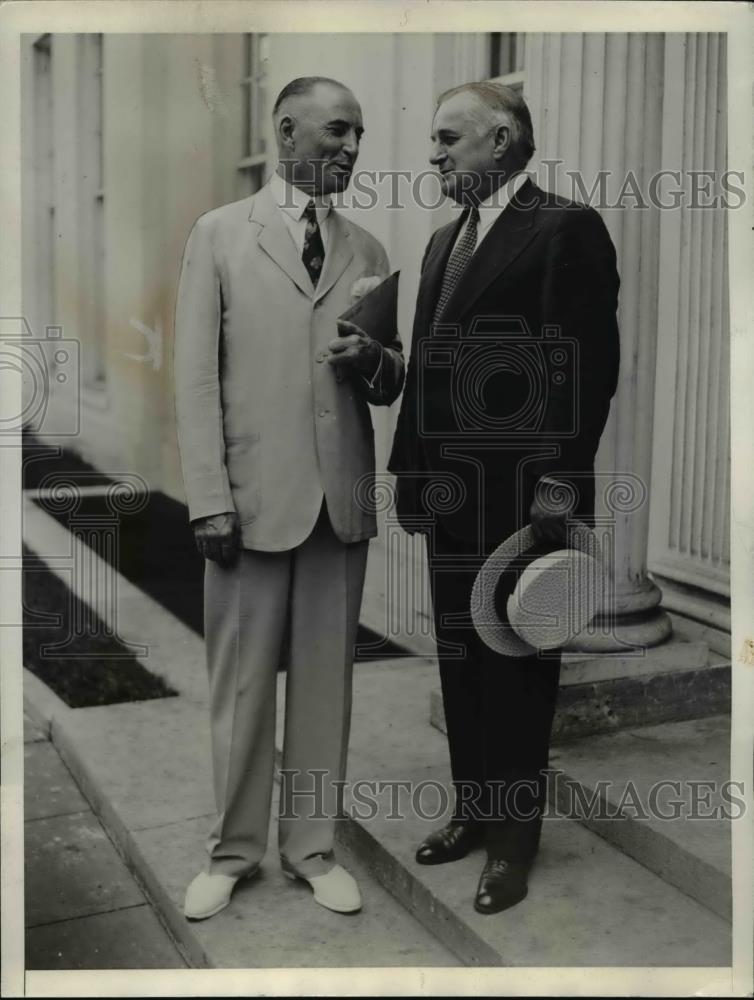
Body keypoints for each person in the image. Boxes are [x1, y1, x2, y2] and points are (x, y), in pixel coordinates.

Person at [174, 76, 404, 919]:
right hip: (248, 501)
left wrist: (370, 360)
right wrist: (208, 498)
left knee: (325, 684)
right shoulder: (220, 236)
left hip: (337, 502)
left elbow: (390, 379)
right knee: (240, 688)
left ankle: (311, 847)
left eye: (359, 134)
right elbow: (195, 378)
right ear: (285, 131)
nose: (350, 148)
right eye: (337, 130)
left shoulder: (371, 250)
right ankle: (232, 853)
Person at [388, 81, 619, 914]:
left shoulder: (564, 228)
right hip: (447, 495)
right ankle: (472, 817)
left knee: (517, 667)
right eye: (436, 140)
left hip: (521, 498)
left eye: (450, 138)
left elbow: (585, 365)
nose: (435, 154)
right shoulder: (444, 241)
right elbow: (422, 372)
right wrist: (410, 473)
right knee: (459, 658)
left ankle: (512, 848)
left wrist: (560, 484)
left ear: (504, 140)